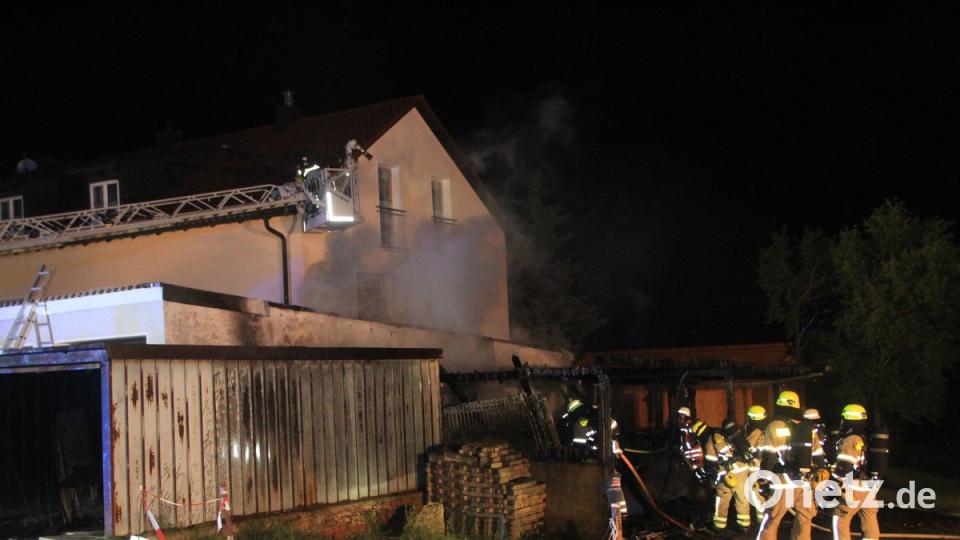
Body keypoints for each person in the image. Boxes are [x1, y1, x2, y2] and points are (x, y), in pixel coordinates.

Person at [755, 390, 826, 540]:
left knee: (772, 520)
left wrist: (763, 480)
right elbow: (819, 458)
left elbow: (769, 457)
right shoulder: (808, 428)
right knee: (804, 521)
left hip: (782, 482)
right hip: (805, 482)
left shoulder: (774, 426)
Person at [832, 404, 880, 540]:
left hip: (853, 487)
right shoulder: (867, 437)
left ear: (848, 419)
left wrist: (836, 481)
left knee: (840, 521)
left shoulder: (850, 440)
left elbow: (845, 468)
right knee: (869, 521)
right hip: (870, 486)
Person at [705, 420, 753, 532]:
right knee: (742, 498)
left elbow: (711, 460)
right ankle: (744, 526)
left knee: (723, 499)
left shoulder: (713, 439)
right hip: (742, 470)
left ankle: (719, 526)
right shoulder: (736, 435)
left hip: (727, 473)